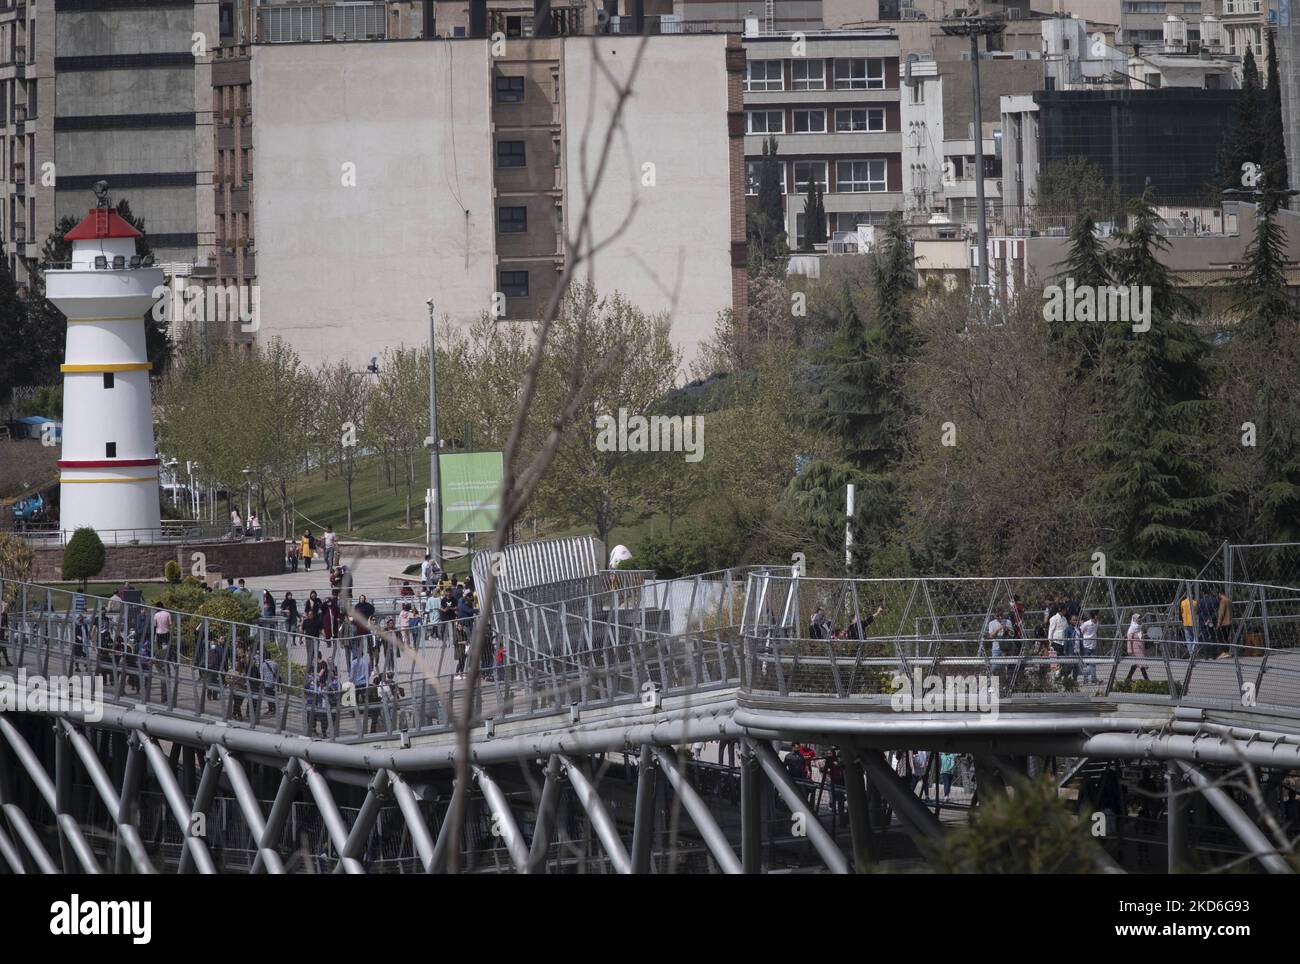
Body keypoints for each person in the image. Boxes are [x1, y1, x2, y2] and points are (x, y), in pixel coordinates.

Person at [1125, 613, 1150, 682]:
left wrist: (1144, 635)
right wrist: (1129, 649)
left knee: (1136, 664)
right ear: (1134, 620)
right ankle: (1147, 680)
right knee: (1141, 664)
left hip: (1140, 648)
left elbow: (1141, 636)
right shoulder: (1131, 629)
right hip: (1135, 649)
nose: (1139, 619)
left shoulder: (1140, 627)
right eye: (1138, 618)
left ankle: (1128, 678)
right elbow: (1129, 640)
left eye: (1140, 618)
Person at [1080, 611, 1099, 683]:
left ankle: (1093, 678)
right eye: (1097, 615)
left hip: (1093, 645)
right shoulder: (1086, 624)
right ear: (1094, 616)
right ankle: (1085, 678)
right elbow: (1081, 630)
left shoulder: (1097, 623)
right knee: (1087, 663)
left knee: (1093, 663)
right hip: (1086, 646)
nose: (1098, 617)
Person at [1216, 591, 1233, 659]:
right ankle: (1227, 652)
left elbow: (1221, 612)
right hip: (1229, 621)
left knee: (1222, 638)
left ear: (1220, 593)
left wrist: (1218, 623)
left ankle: (1223, 652)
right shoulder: (1229, 600)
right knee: (1226, 638)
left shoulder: (1223, 601)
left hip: (1224, 623)